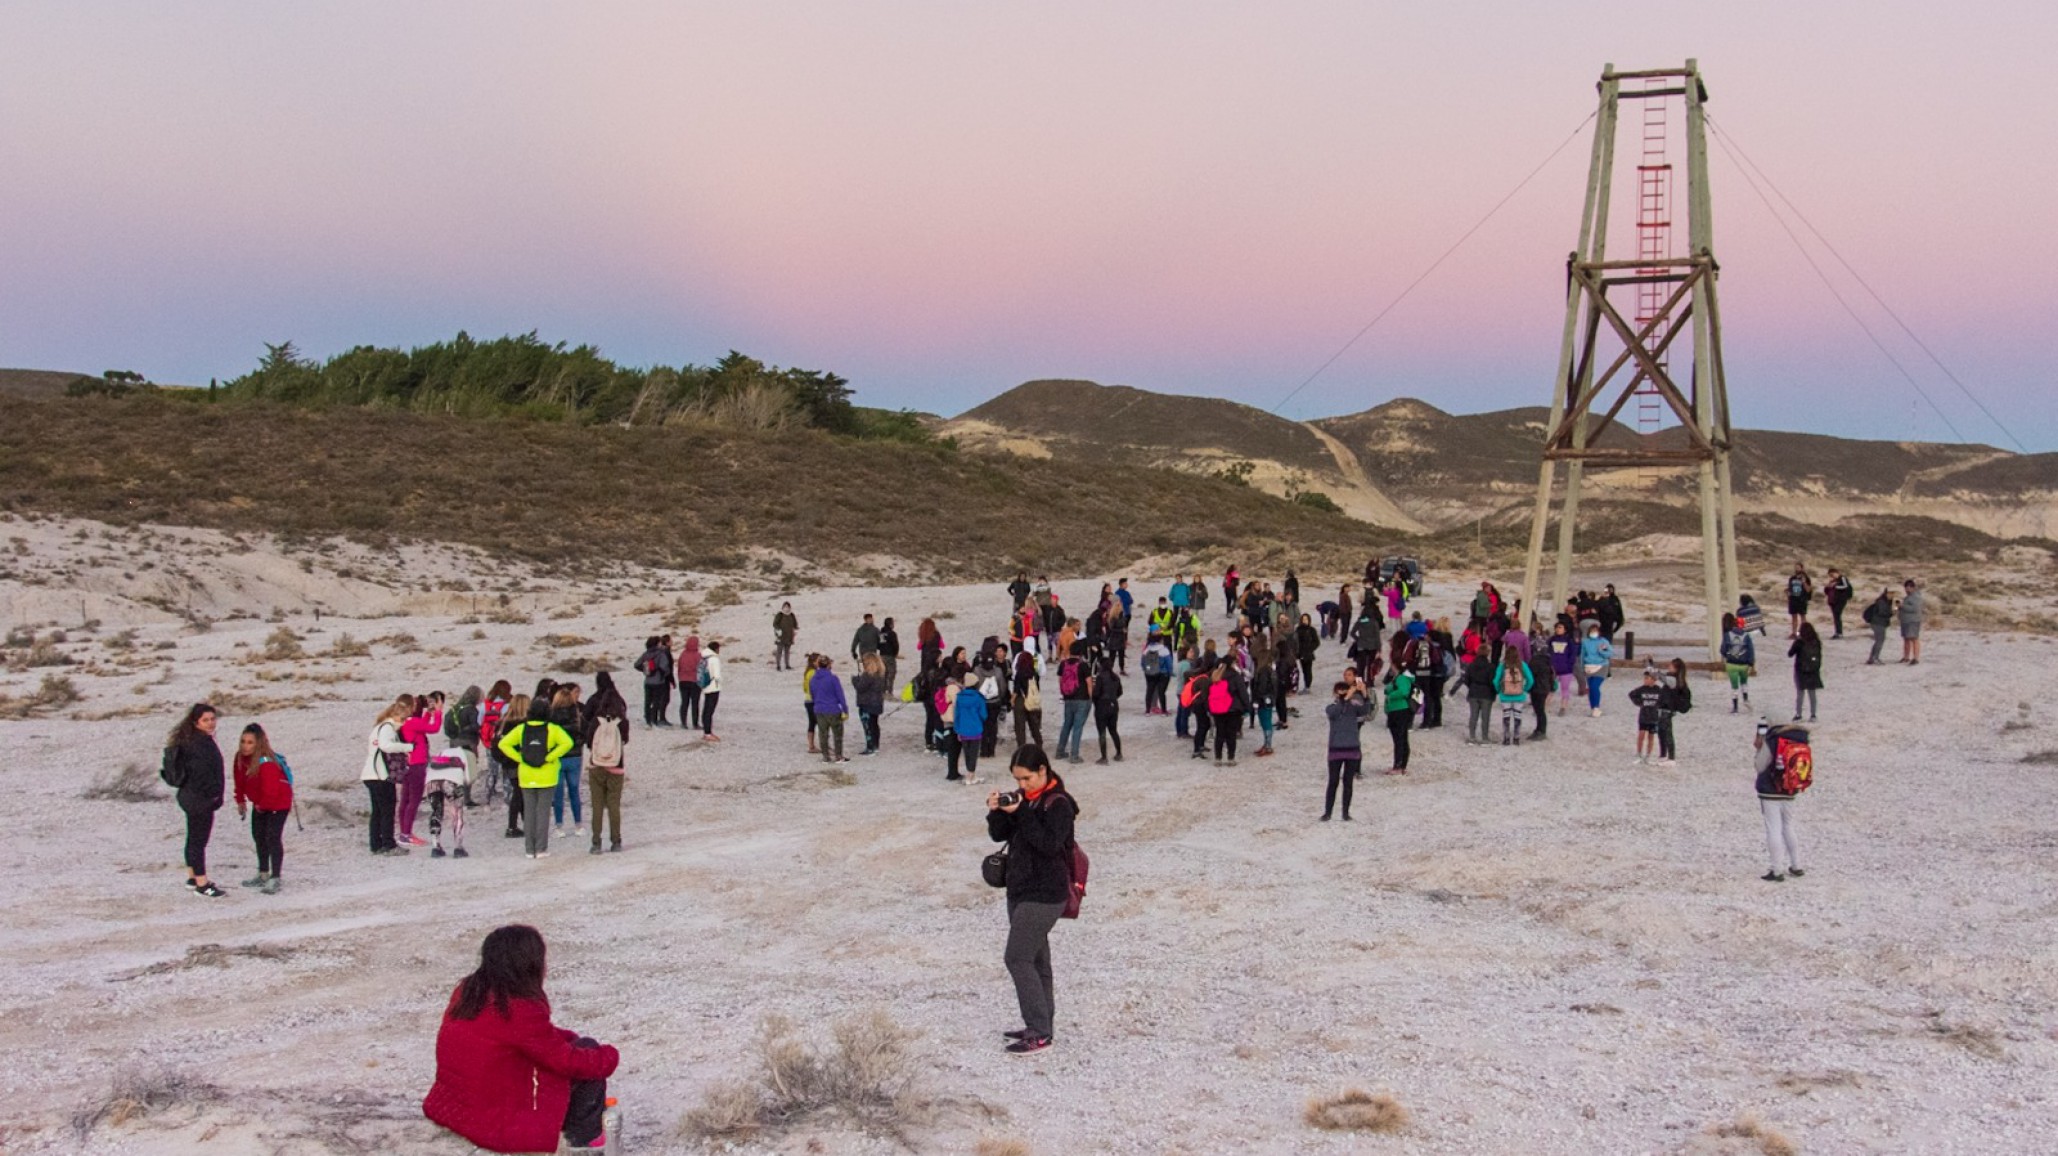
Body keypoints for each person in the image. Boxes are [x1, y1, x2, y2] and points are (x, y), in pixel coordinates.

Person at [423, 925, 620, 1153]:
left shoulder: (470, 991)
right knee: (588, 1063)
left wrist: (566, 1040)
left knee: (579, 1049)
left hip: (454, 1108)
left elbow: (529, 1037)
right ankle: (583, 1141)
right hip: (492, 1121)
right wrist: (609, 1056)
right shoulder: (518, 1008)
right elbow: (565, 1060)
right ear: (530, 964)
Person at [985, 745, 1078, 1054]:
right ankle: (1042, 1026)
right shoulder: (1023, 799)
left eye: (1026, 778)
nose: (1021, 785)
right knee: (1037, 960)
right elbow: (999, 836)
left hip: (1046, 894)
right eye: (1017, 779)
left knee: (1017, 957)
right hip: (1019, 890)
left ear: (1043, 771)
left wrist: (1021, 812)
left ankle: (1039, 1031)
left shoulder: (1059, 804)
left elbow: (1048, 845)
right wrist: (996, 811)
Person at [496, 699, 575, 859]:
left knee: (529, 812)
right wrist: (550, 757)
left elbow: (503, 744)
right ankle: (541, 848)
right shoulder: (552, 729)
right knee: (543, 813)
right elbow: (568, 743)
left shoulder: (521, 729)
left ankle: (529, 849)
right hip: (547, 775)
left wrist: (520, 758)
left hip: (526, 774)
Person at [164, 703, 227, 897]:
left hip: (190, 797)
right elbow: (203, 774)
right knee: (199, 841)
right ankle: (202, 884)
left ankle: (193, 878)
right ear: (196, 722)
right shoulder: (199, 744)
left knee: (193, 839)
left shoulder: (191, 740)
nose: (210, 723)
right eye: (205, 720)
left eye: (212, 719)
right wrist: (213, 796)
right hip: (199, 799)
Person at [231, 722, 294, 893]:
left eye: (250, 742)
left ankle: (276, 877)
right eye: (243, 741)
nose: (245, 746)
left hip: (278, 803)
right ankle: (263, 873)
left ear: (258, 743)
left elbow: (271, 790)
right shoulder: (240, 758)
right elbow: (239, 780)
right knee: (259, 836)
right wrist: (240, 800)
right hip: (260, 802)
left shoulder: (267, 761)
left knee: (273, 837)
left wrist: (262, 806)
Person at [1754, 722, 1809, 882]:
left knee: (1774, 829)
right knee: (1788, 826)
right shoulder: (1800, 738)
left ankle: (1776, 869)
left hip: (1770, 790)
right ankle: (1796, 865)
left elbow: (1759, 765)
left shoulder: (1773, 739)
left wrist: (1759, 748)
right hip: (1790, 788)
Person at [584, 671, 630, 853]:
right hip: (616, 765)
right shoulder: (622, 721)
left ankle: (596, 842)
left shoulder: (596, 720)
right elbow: (625, 740)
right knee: (614, 806)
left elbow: (589, 742)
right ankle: (616, 841)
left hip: (596, 765)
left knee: (597, 807)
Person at [362, 697, 413, 857]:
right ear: (398, 716)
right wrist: (409, 747)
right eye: (403, 719)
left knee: (377, 811)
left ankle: (375, 844)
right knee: (387, 810)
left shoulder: (378, 727)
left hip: (370, 774)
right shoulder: (388, 728)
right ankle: (388, 845)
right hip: (381, 775)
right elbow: (386, 746)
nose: (403, 723)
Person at [398, 693, 444, 848]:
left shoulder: (407, 722)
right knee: (414, 799)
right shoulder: (412, 722)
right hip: (416, 764)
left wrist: (428, 714)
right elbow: (434, 728)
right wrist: (438, 712)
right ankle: (406, 834)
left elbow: (422, 726)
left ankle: (404, 832)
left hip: (408, 764)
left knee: (405, 799)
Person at [1323, 677, 1371, 818]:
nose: (1343, 693)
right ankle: (1328, 812)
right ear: (1335, 693)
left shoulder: (1353, 706)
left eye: (1345, 690)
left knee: (1348, 782)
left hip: (1352, 748)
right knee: (1333, 781)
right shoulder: (1331, 707)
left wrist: (1364, 694)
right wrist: (1345, 699)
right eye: (1340, 691)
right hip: (1336, 749)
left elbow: (1365, 710)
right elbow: (1335, 713)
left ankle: (1345, 812)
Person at [547, 684, 586, 838]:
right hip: (575, 755)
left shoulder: (551, 717)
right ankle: (578, 825)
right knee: (574, 790)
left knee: (558, 793)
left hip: (558, 756)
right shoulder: (577, 715)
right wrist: (579, 743)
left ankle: (559, 826)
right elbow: (584, 732)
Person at [495, 693, 530, 840]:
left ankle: (522, 823)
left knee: (518, 791)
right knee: (519, 793)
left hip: (506, 762)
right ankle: (512, 826)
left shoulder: (503, 722)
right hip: (517, 762)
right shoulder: (521, 724)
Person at [1054, 645, 1091, 764]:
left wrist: (1064, 692)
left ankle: (1060, 751)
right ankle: (1074, 755)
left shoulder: (1063, 664)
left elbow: (1060, 680)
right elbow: (1089, 682)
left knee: (1067, 724)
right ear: (1081, 653)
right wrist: (1090, 697)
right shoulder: (1083, 665)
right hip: (1082, 699)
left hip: (1068, 698)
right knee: (1077, 727)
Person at [951, 672, 988, 784]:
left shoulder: (959, 697)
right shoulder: (979, 698)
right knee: (973, 753)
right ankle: (970, 776)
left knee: (967, 753)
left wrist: (957, 729)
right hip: (976, 729)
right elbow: (984, 714)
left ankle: (970, 774)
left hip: (963, 729)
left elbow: (956, 715)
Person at [812, 655, 850, 763]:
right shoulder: (833, 678)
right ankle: (838, 756)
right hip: (833, 709)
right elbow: (840, 695)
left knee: (823, 734)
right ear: (829, 665)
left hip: (819, 709)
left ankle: (826, 756)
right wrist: (845, 709)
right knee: (837, 733)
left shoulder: (813, 679)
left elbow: (813, 694)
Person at [1493, 645, 1533, 745]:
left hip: (1505, 695)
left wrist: (1499, 690)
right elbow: (1531, 680)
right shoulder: (1522, 665)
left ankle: (1506, 738)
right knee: (1517, 716)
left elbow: (1495, 680)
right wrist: (1525, 689)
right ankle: (1516, 738)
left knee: (1506, 717)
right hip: (1519, 695)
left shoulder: (1503, 666)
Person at [1657, 657, 1692, 766]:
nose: (1669, 667)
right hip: (1664, 708)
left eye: (1671, 665)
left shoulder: (1673, 680)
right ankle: (1663, 755)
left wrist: (1651, 668)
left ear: (1676, 669)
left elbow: (1660, 677)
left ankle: (1671, 758)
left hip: (1667, 709)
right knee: (1661, 732)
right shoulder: (1674, 679)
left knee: (1667, 733)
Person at [1458, 647, 1496, 745]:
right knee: (1485, 717)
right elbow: (1492, 682)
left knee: (1473, 715)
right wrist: (1494, 692)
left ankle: (1472, 736)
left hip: (1473, 692)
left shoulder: (1471, 665)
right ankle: (1484, 737)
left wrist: (1472, 686)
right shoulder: (1491, 667)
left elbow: (1466, 680)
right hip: (1486, 693)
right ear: (1487, 653)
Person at [1383, 665, 1416, 775]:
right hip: (1395, 710)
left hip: (1400, 710)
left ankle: (1399, 765)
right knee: (1400, 738)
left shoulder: (1401, 678)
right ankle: (1400, 765)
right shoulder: (1397, 678)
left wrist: (1390, 695)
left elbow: (1403, 692)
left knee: (1400, 739)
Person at [1089, 657, 1123, 764]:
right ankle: (1119, 753)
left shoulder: (1100, 677)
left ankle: (1104, 757)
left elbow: (1096, 693)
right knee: (1113, 731)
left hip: (1102, 706)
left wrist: (1094, 700)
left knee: (1102, 732)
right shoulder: (1116, 677)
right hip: (1113, 705)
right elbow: (1120, 692)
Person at [1010, 645, 1045, 750]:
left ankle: (1021, 746)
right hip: (1032, 700)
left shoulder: (1019, 674)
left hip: (1021, 700)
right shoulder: (1035, 674)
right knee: (1034, 724)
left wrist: (1012, 700)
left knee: (1020, 726)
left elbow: (1016, 689)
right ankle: (1039, 743)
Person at [1721, 613, 1756, 712]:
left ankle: (1735, 707)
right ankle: (1745, 699)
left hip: (1731, 664)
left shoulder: (1727, 635)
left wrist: (1727, 655)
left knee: (1734, 686)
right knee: (1744, 682)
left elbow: (1723, 649)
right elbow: (1751, 650)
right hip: (1744, 664)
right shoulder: (1746, 636)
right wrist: (1751, 663)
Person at [1790, 621, 1824, 722]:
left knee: (1800, 693)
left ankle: (1798, 714)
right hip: (1813, 670)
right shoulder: (1816, 641)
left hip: (1800, 670)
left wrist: (1796, 641)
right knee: (1812, 693)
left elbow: (1790, 654)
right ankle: (1813, 715)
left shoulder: (1799, 642)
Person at [635, 635, 671, 727]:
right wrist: (662, 674)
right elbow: (665, 667)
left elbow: (637, 664)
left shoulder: (646, 654)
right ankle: (654, 720)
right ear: (657, 644)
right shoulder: (661, 654)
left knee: (647, 701)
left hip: (648, 681)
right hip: (658, 681)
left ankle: (648, 720)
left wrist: (645, 670)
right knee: (656, 702)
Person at [1628, 670, 1663, 765]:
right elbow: (1631, 694)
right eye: (1645, 678)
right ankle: (1639, 753)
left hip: (1654, 717)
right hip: (1643, 716)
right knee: (1641, 735)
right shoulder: (1641, 689)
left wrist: (1659, 705)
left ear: (1654, 680)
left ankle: (1648, 754)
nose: (1645, 680)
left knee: (1651, 736)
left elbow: (1664, 698)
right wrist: (1639, 703)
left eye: (1647, 678)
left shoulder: (1658, 690)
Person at [1580, 626, 1614, 716]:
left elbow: (1610, 653)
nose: (1593, 632)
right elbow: (1582, 655)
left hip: (1601, 666)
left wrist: (1601, 651)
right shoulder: (1585, 642)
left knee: (1595, 686)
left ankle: (1596, 707)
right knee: (1591, 688)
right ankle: (1593, 708)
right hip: (1589, 667)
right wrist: (1582, 667)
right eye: (1591, 631)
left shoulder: (1603, 641)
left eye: (1595, 631)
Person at [1547, 620, 1577, 717]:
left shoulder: (1569, 641)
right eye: (1557, 627)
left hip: (1566, 669)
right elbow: (1547, 652)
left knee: (1565, 688)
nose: (1558, 629)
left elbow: (1573, 654)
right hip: (1553, 669)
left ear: (1565, 629)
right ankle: (1544, 707)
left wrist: (1569, 665)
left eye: (1560, 627)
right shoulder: (1551, 640)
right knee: (1550, 688)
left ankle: (1563, 707)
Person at [1525, 640, 1554, 742]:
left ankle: (1541, 731)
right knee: (1540, 710)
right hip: (1544, 687)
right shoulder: (1547, 660)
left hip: (1537, 687)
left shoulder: (1535, 661)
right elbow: (1551, 675)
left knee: (1539, 710)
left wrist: (1527, 687)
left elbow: (1530, 674)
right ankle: (1540, 730)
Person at [676, 635, 704, 729]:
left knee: (684, 702)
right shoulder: (698, 655)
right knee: (695, 703)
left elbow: (679, 667)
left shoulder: (683, 654)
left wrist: (680, 677)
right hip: (694, 681)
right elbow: (701, 669)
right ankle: (695, 723)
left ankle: (683, 722)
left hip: (683, 681)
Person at [1862, 588, 1895, 665]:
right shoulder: (1882, 602)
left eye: (1892, 593)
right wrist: (1891, 613)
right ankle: (1875, 658)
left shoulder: (1886, 601)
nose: (1891, 595)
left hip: (1879, 623)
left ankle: (1872, 658)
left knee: (1878, 641)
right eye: (1890, 593)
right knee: (1879, 641)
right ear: (1886, 593)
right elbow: (1882, 612)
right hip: (1878, 623)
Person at [699, 641, 725, 741]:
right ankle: (708, 733)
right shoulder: (714, 659)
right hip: (713, 687)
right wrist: (718, 686)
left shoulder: (703, 657)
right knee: (709, 710)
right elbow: (717, 675)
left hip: (705, 686)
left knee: (706, 709)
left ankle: (706, 732)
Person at [1898, 578, 1926, 664]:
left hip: (1913, 621)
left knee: (1914, 639)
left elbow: (1914, 609)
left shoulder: (1916, 597)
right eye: (1905, 588)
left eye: (1908, 588)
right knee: (1906, 639)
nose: (1906, 590)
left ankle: (1916, 658)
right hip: (1905, 621)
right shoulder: (1908, 597)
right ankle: (1906, 657)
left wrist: (1902, 606)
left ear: (1912, 587)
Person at [1823, 568, 1854, 638]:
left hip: (1841, 600)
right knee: (1836, 616)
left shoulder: (1843, 578)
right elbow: (1827, 591)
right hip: (1833, 601)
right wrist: (1828, 586)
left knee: (1837, 614)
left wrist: (1835, 586)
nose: (1832, 576)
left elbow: (1846, 586)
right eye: (1830, 575)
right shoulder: (1832, 581)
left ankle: (1839, 633)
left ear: (1836, 573)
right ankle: (1837, 632)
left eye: (1832, 575)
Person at [1785, 564, 1814, 639]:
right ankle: (1794, 633)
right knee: (1794, 616)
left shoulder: (1806, 578)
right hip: (1793, 599)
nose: (1797, 569)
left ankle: (1803, 633)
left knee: (1802, 616)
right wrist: (1788, 593)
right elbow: (1790, 588)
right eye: (1796, 567)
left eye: (1798, 567)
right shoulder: (1792, 578)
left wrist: (1804, 582)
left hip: (1802, 599)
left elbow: (1808, 590)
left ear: (1802, 568)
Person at [772, 602, 799, 671]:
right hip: (781, 636)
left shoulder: (792, 615)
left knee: (787, 652)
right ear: (783, 607)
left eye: (788, 607)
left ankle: (787, 665)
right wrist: (778, 630)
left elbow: (795, 624)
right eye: (785, 606)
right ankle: (778, 665)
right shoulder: (780, 615)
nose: (786, 608)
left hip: (789, 636)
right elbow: (775, 624)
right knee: (779, 651)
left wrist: (796, 629)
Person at [879, 616, 901, 692]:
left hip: (882, 656)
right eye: (893, 623)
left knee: (883, 674)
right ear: (890, 624)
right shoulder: (892, 633)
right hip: (890, 656)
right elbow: (895, 645)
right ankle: (889, 691)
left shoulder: (881, 634)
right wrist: (895, 653)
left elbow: (879, 645)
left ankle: (883, 691)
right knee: (891, 673)